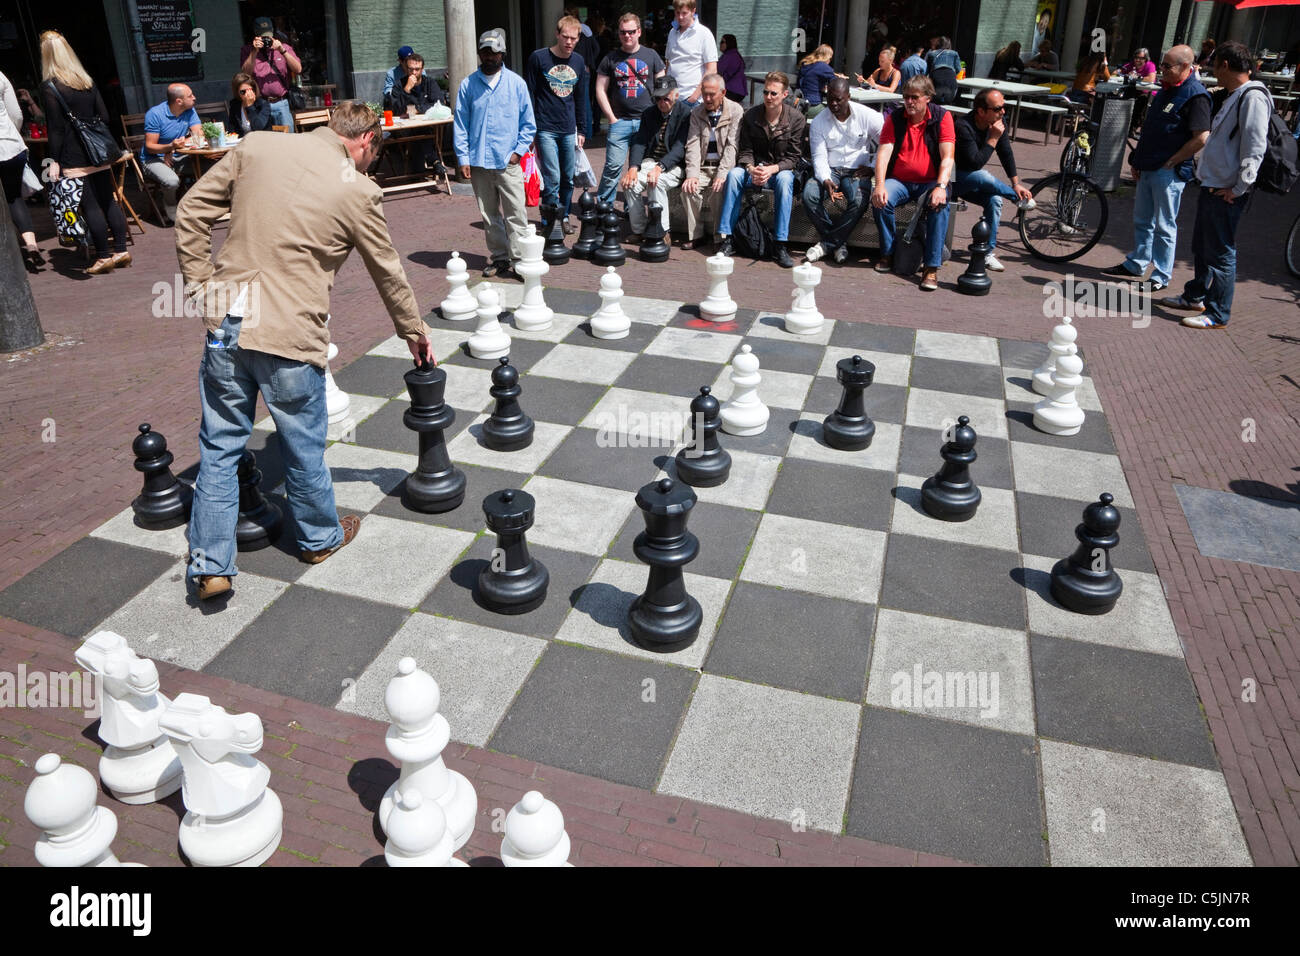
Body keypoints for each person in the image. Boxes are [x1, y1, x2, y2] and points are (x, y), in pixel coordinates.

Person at [176, 101, 434, 601]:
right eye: (370, 157)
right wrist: (414, 329)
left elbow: (190, 211)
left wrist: (203, 291)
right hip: (289, 332)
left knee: (219, 447)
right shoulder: (359, 190)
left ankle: (210, 566)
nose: (367, 166)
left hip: (228, 322)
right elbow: (387, 270)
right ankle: (318, 537)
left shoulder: (257, 145)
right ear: (364, 141)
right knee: (301, 444)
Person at [1162, 41, 1270, 329]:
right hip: (1213, 184)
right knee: (1202, 246)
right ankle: (1194, 295)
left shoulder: (1253, 97)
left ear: (1225, 64)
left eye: (1214, 65)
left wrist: (1239, 187)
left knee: (1221, 251)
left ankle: (1218, 313)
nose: (1212, 70)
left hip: (1226, 190)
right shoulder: (1235, 94)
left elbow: (1255, 147)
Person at [1101, 46, 1209, 292]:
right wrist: (1137, 160)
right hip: (1149, 166)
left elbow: (1201, 137)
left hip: (1168, 172)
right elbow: (1152, 129)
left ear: (1184, 67)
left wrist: (1173, 160)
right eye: (1162, 64)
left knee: (1164, 225)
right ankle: (1137, 263)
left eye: (1167, 66)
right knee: (1142, 219)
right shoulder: (1165, 90)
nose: (1162, 70)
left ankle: (1161, 275)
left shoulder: (1195, 95)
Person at [39, 30, 129, 274]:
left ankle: (102, 256)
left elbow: (56, 129)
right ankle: (121, 250)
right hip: (98, 150)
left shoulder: (50, 87)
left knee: (89, 206)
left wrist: (53, 161)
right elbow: (106, 116)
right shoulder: (86, 80)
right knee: (107, 200)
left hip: (74, 154)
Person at [453, 29, 537, 279]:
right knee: (489, 216)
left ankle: (520, 260)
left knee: (516, 215)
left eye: (494, 53)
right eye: (485, 53)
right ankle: (500, 258)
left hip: (508, 162)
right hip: (479, 162)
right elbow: (460, 123)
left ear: (502, 54)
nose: (489, 57)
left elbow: (529, 124)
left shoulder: (516, 84)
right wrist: (463, 158)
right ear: (479, 53)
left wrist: (517, 152)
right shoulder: (468, 85)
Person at [870, 75, 956, 291]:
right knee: (881, 199)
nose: (909, 102)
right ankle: (888, 253)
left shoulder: (942, 117)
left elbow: (948, 157)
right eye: (906, 97)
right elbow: (884, 152)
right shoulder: (895, 118)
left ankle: (931, 267)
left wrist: (941, 187)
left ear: (928, 97)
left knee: (939, 205)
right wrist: (879, 184)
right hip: (900, 180)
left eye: (914, 97)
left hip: (931, 182)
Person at [716, 71, 805, 268]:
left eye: (774, 93)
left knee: (785, 180)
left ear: (784, 95)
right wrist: (750, 168)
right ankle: (727, 237)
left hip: (778, 171)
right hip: (754, 169)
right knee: (734, 175)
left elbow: (794, 158)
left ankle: (780, 244)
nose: (768, 97)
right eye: (765, 92)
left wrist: (772, 169)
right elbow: (745, 150)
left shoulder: (796, 119)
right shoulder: (751, 115)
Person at [952, 88, 1035, 273]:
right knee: (982, 176)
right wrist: (993, 139)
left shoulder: (997, 122)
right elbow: (975, 163)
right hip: (951, 179)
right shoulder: (963, 126)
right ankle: (1015, 198)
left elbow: (1005, 152)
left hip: (973, 181)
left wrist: (1016, 183)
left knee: (995, 200)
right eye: (998, 109)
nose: (1003, 112)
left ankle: (986, 253)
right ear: (981, 111)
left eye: (1003, 107)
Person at [803, 77, 882, 265]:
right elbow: (819, 156)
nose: (833, 103)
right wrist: (824, 179)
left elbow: (887, 144)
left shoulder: (869, 116)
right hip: (831, 169)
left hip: (857, 170)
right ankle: (838, 243)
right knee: (809, 195)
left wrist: (872, 167)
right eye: (830, 98)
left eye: (838, 99)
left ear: (848, 96)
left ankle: (826, 244)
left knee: (859, 200)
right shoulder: (819, 122)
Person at [595, 14, 666, 207]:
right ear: (618, 33)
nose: (627, 36)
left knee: (640, 168)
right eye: (623, 32)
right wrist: (611, 117)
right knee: (613, 167)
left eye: (631, 32)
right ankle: (604, 207)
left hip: (646, 122)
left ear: (639, 32)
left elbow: (663, 88)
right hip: (620, 121)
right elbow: (600, 89)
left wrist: (659, 117)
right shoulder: (610, 58)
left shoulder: (651, 56)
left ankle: (631, 208)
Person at [526, 16, 589, 230]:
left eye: (573, 38)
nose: (569, 42)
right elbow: (531, 94)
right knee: (552, 176)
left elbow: (581, 97)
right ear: (557, 34)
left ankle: (564, 216)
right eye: (565, 37)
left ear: (578, 38)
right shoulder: (539, 58)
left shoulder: (579, 62)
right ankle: (549, 218)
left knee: (568, 177)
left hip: (568, 127)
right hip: (545, 127)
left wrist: (582, 128)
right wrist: (530, 128)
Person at [621, 74, 691, 243]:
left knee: (656, 182)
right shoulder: (649, 113)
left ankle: (662, 230)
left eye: (666, 98)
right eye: (658, 98)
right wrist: (633, 168)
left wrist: (660, 167)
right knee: (630, 184)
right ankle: (639, 230)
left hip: (673, 165)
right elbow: (640, 141)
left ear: (676, 94)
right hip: (650, 162)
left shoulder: (686, 114)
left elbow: (680, 148)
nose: (661, 102)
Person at [682, 72, 743, 249]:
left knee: (719, 190)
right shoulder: (696, 113)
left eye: (711, 94)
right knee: (688, 190)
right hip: (702, 167)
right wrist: (692, 174)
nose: (707, 98)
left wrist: (722, 174)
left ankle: (719, 237)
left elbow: (732, 146)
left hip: (723, 167)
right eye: (704, 93)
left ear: (723, 93)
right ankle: (696, 235)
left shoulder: (735, 111)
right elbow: (692, 145)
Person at [139, 83, 204, 226]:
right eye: (190, 96)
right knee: (171, 181)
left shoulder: (189, 110)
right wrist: (169, 147)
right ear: (179, 101)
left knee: (211, 168)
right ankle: (170, 205)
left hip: (177, 155)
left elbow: (199, 135)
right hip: (153, 159)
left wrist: (172, 149)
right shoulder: (155, 114)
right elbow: (150, 147)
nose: (194, 98)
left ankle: (205, 206)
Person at [0, 69, 42, 268]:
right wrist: (12, 134)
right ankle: (31, 244)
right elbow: (16, 114)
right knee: (15, 197)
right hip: (10, 146)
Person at [384, 52, 447, 175]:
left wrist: (416, 109)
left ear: (422, 69)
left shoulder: (430, 83)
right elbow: (396, 110)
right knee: (419, 131)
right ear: (406, 69)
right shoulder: (399, 85)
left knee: (422, 131)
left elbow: (439, 104)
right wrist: (406, 90)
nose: (413, 73)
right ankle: (434, 161)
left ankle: (423, 168)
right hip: (406, 128)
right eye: (411, 69)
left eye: (417, 69)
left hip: (428, 126)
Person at [239, 16, 302, 132]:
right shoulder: (248, 50)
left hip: (281, 103)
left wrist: (282, 50)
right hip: (261, 104)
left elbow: (298, 69)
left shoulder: (284, 47)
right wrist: (254, 51)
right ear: (256, 35)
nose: (266, 39)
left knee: (288, 142)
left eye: (268, 35)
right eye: (263, 37)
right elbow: (245, 74)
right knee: (265, 142)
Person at [665, 0, 718, 106]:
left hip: (692, 99)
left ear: (693, 11)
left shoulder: (704, 33)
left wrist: (695, 96)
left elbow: (712, 69)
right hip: (672, 98)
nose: (680, 17)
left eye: (684, 13)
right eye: (677, 13)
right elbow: (668, 63)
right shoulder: (672, 32)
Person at [925, 37, 961, 105]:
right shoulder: (954, 53)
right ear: (949, 44)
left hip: (935, 78)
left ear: (938, 44)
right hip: (950, 78)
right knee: (949, 100)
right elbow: (958, 69)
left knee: (934, 101)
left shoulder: (931, 54)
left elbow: (926, 72)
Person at [718, 34, 747, 103]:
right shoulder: (735, 54)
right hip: (739, 92)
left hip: (731, 91)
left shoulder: (729, 56)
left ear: (729, 43)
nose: (720, 44)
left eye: (722, 42)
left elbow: (717, 71)